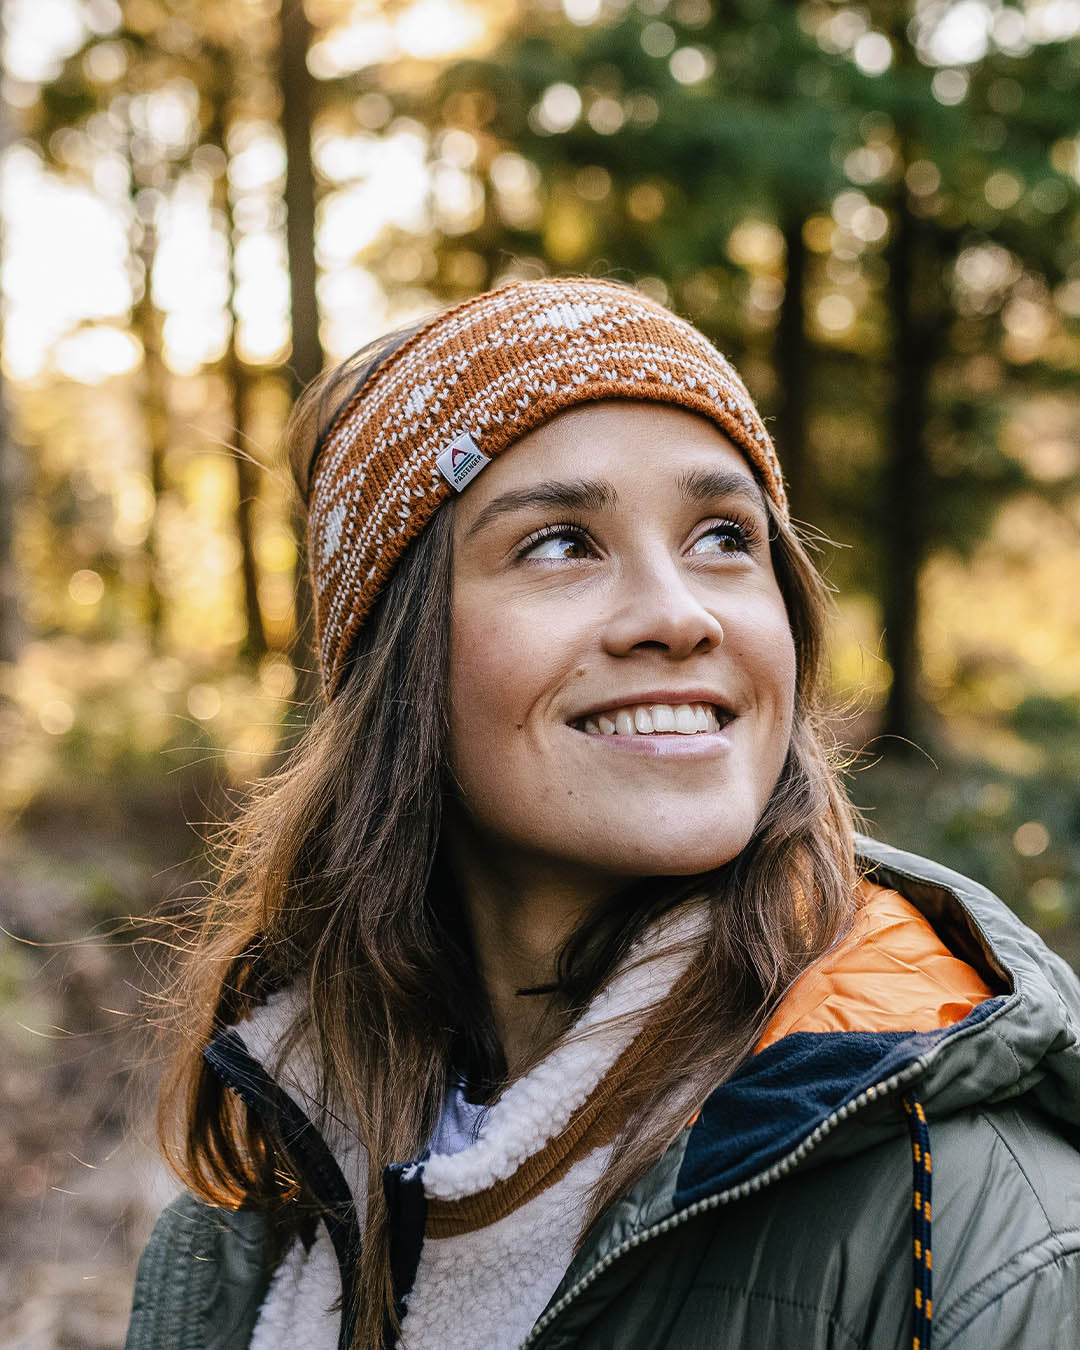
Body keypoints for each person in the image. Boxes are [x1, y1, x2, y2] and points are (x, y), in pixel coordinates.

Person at [126, 277, 1080, 1350]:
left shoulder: (977, 1236)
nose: (679, 615)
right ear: (398, 668)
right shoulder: (245, 1235)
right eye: (560, 544)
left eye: (725, 535)